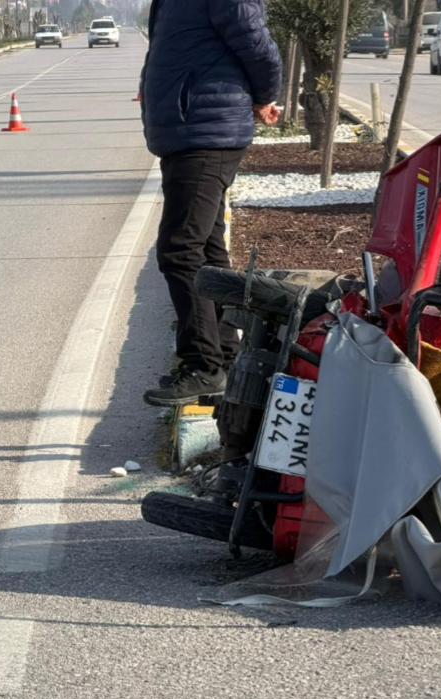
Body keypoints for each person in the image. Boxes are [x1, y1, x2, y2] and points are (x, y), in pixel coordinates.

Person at [139, 0, 282, 406]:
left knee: (180, 251)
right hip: (192, 129)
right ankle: (224, 356)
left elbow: (256, 41)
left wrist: (265, 94)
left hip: (206, 133)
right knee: (205, 250)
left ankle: (203, 366)